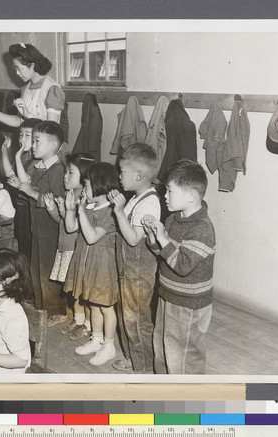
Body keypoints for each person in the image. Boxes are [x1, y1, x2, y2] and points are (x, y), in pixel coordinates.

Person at [142, 159, 216, 374]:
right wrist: (153, 236)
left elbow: (182, 265)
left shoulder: (202, 229)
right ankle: (166, 391)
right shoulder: (174, 219)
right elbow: (163, 254)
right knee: (162, 347)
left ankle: (187, 398)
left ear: (191, 196)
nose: (164, 196)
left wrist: (163, 238)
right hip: (168, 294)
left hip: (188, 304)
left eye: (170, 191)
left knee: (183, 357)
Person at [107, 143, 161, 373]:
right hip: (127, 271)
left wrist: (118, 211)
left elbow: (132, 239)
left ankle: (144, 367)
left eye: (122, 171)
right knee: (126, 317)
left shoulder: (149, 202)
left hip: (138, 274)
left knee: (137, 320)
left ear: (139, 175)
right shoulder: (137, 197)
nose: (119, 176)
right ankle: (133, 358)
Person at [64, 162, 120, 366]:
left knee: (106, 306)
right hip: (87, 264)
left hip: (103, 267)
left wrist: (80, 212)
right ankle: (96, 339)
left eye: (86, 185)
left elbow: (91, 237)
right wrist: (71, 210)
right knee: (93, 303)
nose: (83, 189)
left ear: (99, 186)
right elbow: (71, 228)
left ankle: (109, 345)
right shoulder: (88, 206)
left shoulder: (110, 212)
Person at [11, 120, 65, 314]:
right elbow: (31, 185)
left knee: (49, 270)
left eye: (36, 141)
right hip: (37, 227)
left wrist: (33, 194)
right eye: (32, 141)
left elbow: (59, 203)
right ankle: (41, 304)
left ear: (52, 145)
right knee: (36, 267)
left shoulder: (58, 171)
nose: (32, 146)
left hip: (51, 230)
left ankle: (55, 310)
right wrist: (19, 163)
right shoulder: (41, 166)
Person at [42, 153, 95, 336]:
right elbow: (62, 222)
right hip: (64, 246)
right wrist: (52, 209)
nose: (65, 176)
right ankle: (74, 318)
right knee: (70, 289)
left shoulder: (85, 198)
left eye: (70, 173)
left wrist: (66, 210)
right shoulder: (69, 194)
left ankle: (83, 323)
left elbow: (73, 227)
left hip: (74, 248)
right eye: (65, 172)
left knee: (76, 289)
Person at [0, 43, 65, 126]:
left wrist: (28, 115)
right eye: (15, 69)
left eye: (19, 69)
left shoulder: (52, 88)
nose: (17, 73)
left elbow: (51, 129)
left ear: (32, 65)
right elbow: (19, 121)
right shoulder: (26, 89)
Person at [1, 118, 42, 261]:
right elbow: (10, 174)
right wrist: (4, 151)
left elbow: (26, 185)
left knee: (28, 250)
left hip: (31, 211)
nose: (22, 139)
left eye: (27, 135)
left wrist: (19, 185)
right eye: (20, 135)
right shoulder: (26, 156)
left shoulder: (37, 161)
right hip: (22, 209)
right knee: (21, 248)